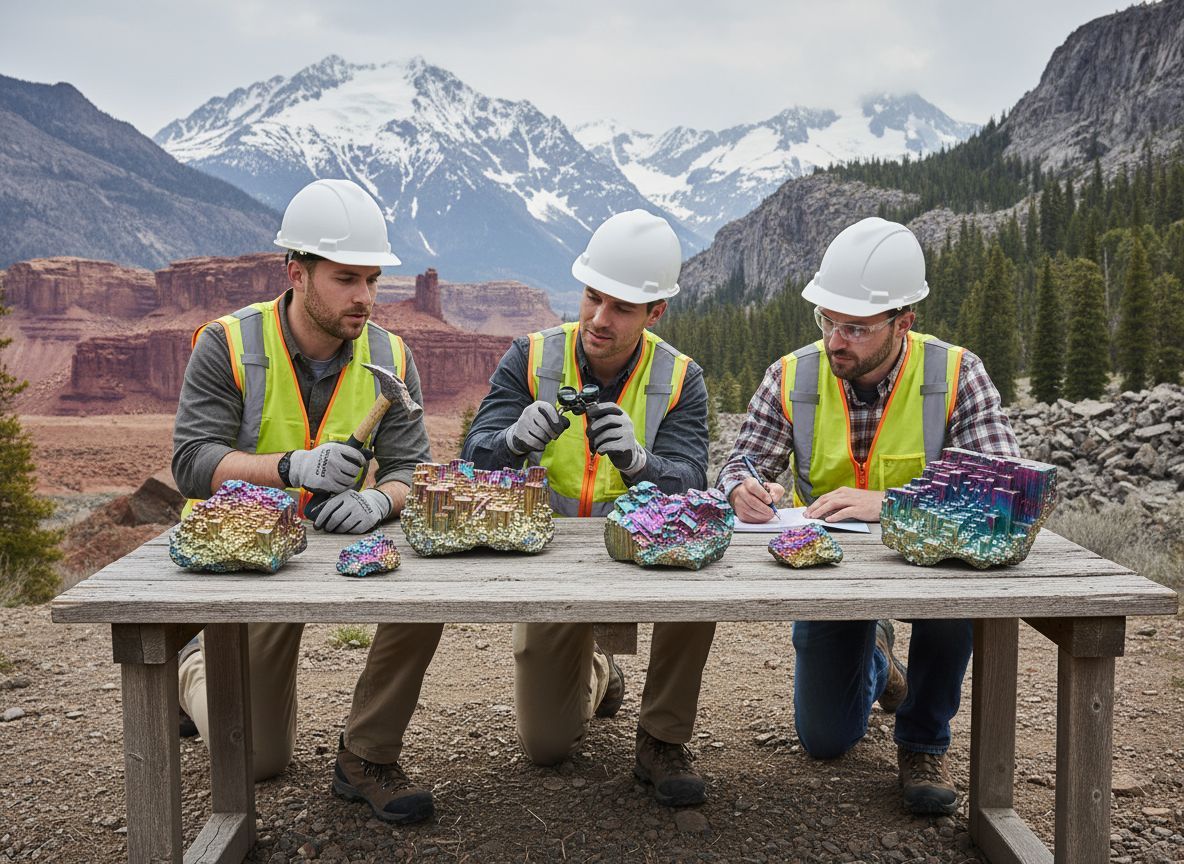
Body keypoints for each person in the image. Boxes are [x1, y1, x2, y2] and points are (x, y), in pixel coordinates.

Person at [717, 216, 1020, 815]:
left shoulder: (958, 374)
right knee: (825, 740)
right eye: (827, 320)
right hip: (829, 575)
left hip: (930, 565)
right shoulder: (791, 376)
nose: (835, 340)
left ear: (903, 323)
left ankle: (924, 739)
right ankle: (880, 661)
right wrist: (741, 488)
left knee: (952, 601)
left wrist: (891, 504)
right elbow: (739, 461)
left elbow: (1001, 492)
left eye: (855, 327)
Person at [171, 178, 438, 825]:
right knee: (260, 760)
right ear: (297, 272)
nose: (365, 298)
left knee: (432, 578)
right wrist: (291, 467)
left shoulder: (392, 356)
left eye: (372, 280)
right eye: (347, 279)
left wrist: (379, 501)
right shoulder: (229, 344)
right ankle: (191, 671)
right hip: (243, 554)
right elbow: (191, 462)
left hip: (341, 544)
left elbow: (413, 470)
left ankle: (367, 754)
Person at [460, 210, 716, 807]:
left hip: (647, 551)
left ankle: (662, 738)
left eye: (622, 308)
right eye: (593, 298)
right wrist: (513, 440)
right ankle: (598, 670)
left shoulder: (681, 378)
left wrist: (639, 463)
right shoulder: (529, 357)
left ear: (656, 312)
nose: (600, 319)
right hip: (551, 554)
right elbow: (475, 457)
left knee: (704, 573)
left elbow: (691, 486)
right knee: (546, 747)